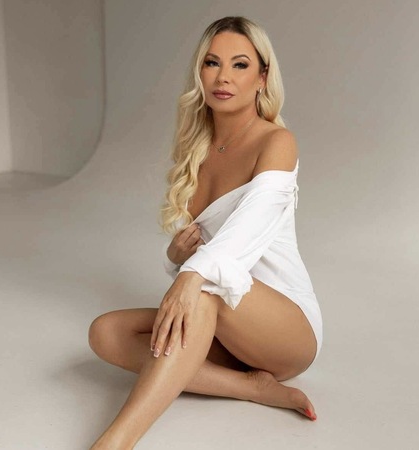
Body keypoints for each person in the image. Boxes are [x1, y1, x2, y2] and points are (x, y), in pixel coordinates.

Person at [88, 16, 323, 449]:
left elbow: (246, 231)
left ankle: (115, 442)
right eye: (213, 63)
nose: (223, 77)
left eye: (239, 65)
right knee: (106, 332)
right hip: (221, 321)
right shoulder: (197, 150)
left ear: (262, 77)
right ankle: (251, 387)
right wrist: (176, 259)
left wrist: (191, 274)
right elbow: (204, 248)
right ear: (200, 73)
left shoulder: (277, 142)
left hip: (286, 328)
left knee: (202, 290)